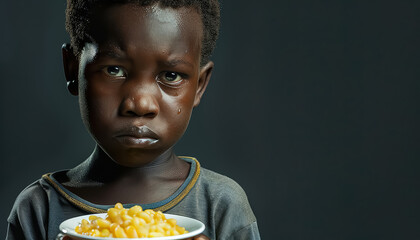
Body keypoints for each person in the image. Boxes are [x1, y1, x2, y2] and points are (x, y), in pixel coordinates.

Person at [6, 0, 261, 239]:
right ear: (73, 70)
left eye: (171, 76)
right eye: (114, 70)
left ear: (199, 86)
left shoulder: (221, 205)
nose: (141, 104)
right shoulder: (39, 209)